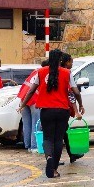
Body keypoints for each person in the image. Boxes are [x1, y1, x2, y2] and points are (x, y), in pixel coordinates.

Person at [19, 49, 84, 179]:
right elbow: (76, 92)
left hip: (46, 111)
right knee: (58, 139)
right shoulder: (67, 73)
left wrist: (22, 104)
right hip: (62, 111)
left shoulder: (41, 72)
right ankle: (54, 169)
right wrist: (80, 105)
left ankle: (49, 157)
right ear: (61, 60)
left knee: (48, 138)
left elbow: (31, 91)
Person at [17, 58, 45, 151]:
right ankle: (34, 146)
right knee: (35, 123)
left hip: (24, 98)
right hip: (34, 99)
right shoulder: (44, 73)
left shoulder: (35, 71)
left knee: (26, 124)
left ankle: (28, 145)